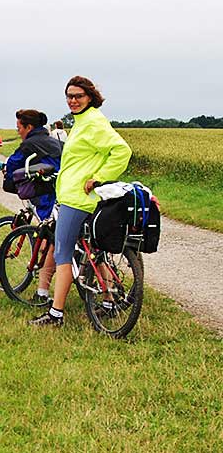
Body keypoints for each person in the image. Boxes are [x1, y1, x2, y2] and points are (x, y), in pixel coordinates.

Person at [30, 75, 132, 327]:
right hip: (76, 196)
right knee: (93, 252)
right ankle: (108, 300)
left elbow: (122, 151)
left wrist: (99, 177)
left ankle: (56, 314)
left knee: (63, 254)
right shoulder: (83, 121)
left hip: (77, 199)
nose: (73, 101)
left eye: (78, 96)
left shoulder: (93, 122)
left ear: (90, 97)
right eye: (69, 96)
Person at [2, 109, 63, 305]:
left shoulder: (30, 144)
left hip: (48, 194)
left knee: (50, 237)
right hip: (68, 190)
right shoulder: (54, 141)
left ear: (29, 127)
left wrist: (6, 172)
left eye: (19, 127)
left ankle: (42, 291)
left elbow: (13, 163)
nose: (18, 131)